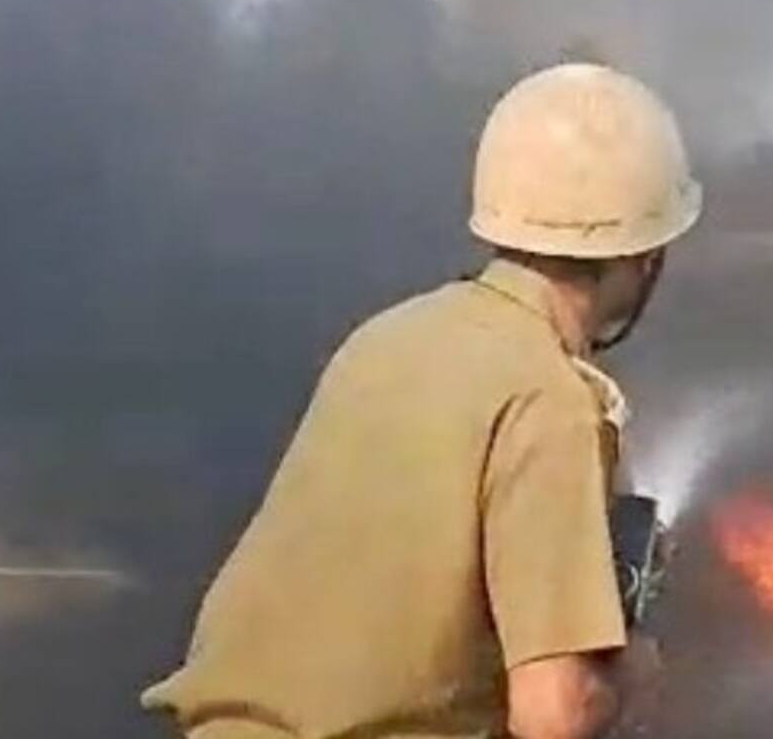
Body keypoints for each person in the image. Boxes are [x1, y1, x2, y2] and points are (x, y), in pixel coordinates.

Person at [142, 62, 701, 739]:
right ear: (645, 257)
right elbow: (553, 717)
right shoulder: (552, 399)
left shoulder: (384, 340)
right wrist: (627, 672)